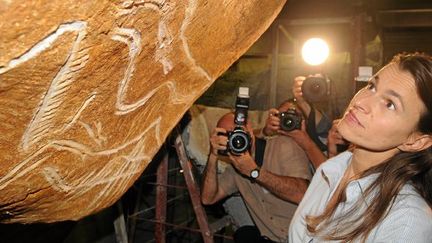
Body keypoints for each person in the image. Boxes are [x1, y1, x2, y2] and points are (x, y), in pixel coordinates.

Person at [289, 52, 432, 242]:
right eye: (371, 86)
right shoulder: (330, 170)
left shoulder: (406, 222)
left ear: (416, 141)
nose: (361, 102)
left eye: (390, 104)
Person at [201, 110, 312, 242]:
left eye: (238, 131)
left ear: (249, 128)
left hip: (306, 237)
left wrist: (254, 172)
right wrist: (213, 155)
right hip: (273, 238)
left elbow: (302, 194)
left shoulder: (283, 146)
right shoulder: (235, 169)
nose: (236, 138)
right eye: (228, 135)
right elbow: (208, 198)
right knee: (244, 234)